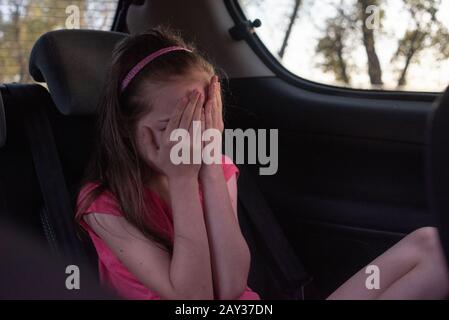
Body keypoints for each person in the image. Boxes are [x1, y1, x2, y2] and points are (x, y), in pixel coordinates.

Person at [76, 27, 449, 300]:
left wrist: (208, 168)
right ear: (127, 130)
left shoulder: (215, 166)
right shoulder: (104, 206)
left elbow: (233, 285)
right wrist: (183, 180)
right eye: (171, 126)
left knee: (433, 246)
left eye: (202, 121)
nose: (192, 138)